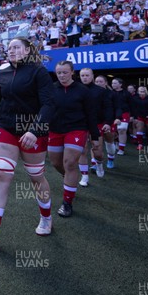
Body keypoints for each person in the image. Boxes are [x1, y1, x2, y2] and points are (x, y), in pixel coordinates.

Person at [0, 37, 55, 248]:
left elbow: (48, 104)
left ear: (27, 50)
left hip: (33, 131)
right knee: (1, 174)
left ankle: (46, 216)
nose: (12, 50)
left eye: (16, 47)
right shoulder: (3, 72)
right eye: (9, 48)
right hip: (6, 129)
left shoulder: (38, 71)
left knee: (36, 177)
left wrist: (34, 131)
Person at [48, 61, 99, 217]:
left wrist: (95, 136)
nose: (62, 75)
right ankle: (69, 178)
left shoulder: (83, 91)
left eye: (65, 72)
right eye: (59, 72)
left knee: (70, 163)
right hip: (55, 130)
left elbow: (91, 114)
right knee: (56, 163)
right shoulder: (51, 89)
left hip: (76, 129)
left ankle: (67, 203)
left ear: (72, 72)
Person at [77, 68, 112, 187]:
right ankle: (85, 176)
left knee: (97, 151)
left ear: (92, 76)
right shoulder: (76, 89)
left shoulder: (101, 91)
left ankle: (100, 164)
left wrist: (108, 122)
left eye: (87, 75)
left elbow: (108, 107)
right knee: (82, 150)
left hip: (97, 124)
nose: (84, 77)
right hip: (80, 124)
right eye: (82, 75)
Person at [131, 86, 148, 150]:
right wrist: (135, 117)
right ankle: (140, 144)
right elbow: (133, 108)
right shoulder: (135, 99)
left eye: (143, 91)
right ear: (138, 92)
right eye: (140, 91)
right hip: (140, 117)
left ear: (146, 91)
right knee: (139, 130)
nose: (142, 92)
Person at [111, 78, 132, 155]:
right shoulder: (110, 93)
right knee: (113, 132)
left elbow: (131, 104)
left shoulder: (126, 93)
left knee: (122, 130)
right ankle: (117, 143)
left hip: (124, 113)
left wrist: (132, 116)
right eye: (112, 83)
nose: (113, 85)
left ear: (120, 84)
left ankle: (121, 149)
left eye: (115, 83)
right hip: (113, 114)